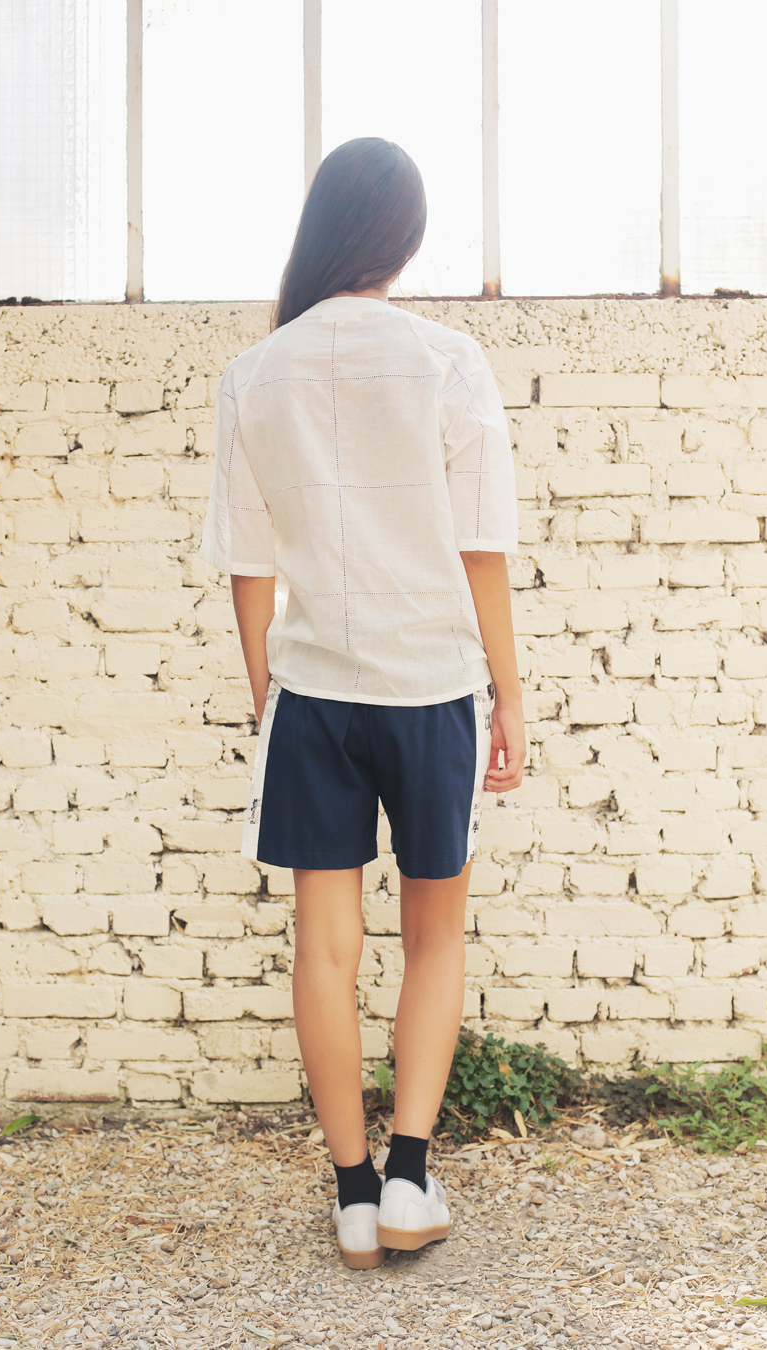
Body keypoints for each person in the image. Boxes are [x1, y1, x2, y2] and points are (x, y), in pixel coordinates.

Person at [199, 136, 525, 1269]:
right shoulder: (448, 360)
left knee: (324, 949)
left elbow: (246, 564)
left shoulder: (256, 372)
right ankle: (408, 1181)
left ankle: (350, 1196)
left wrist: (268, 695)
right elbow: (483, 550)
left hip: (314, 693)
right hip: (432, 687)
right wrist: (509, 697)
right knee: (435, 936)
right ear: (407, 238)